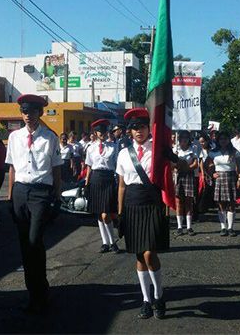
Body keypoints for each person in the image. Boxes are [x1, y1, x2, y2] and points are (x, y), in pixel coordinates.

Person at [6, 94, 63, 314]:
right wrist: (10, 197)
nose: (28, 116)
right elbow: (11, 168)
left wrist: (57, 197)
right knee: (24, 244)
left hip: (40, 193)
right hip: (20, 191)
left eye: (32, 112)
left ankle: (41, 289)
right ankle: (33, 293)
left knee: (34, 240)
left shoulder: (50, 138)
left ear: (40, 113)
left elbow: (56, 169)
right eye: (25, 112)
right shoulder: (14, 137)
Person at [116, 108, 170, 320]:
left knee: (149, 252)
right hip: (131, 204)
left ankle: (159, 295)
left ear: (149, 128)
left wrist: (171, 155)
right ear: (129, 131)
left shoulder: (158, 150)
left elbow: (171, 173)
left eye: (142, 127)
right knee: (139, 255)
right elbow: (121, 185)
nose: (139, 131)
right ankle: (146, 300)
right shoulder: (123, 153)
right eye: (134, 128)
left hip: (151, 203)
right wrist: (120, 213)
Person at [85, 119, 119, 253]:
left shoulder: (113, 147)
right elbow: (89, 167)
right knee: (99, 214)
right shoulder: (91, 147)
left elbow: (117, 165)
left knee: (106, 214)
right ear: (96, 132)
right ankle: (105, 242)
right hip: (96, 179)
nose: (102, 134)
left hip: (108, 179)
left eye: (105, 131)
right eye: (100, 131)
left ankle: (112, 242)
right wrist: (87, 184)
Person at [207, 131, 240, 237]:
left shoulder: (234, 152)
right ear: (218, 140)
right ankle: (223, 227)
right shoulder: (213, 152)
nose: (223, 141)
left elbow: (239, 167)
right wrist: (212, 173)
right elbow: (207, 164)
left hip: (231, 177)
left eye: (225, 139)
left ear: (229, 140)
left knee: (231, 203)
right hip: (219, 178)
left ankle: (230, 228)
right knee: (221, 204)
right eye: (221, 139)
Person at [174, 130, 198, 236]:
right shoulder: (175, 149)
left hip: (188, 175)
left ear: (189, 139)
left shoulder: (193, 149)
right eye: (182, 138)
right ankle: (179, 226)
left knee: (189, 201)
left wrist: (187, 168)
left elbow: (196, 164)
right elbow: (172, 163)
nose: (184, 139)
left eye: (186, 138)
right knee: (179, 202)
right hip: (178, 176)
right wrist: (177, 165)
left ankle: (189, 227)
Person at [197, 133, 214, 215]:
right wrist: (203, 173)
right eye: (200, 142)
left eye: (203, 142)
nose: (201, 143)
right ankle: (200, 207)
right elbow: (200, 163)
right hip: (202, 172)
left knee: (209, 189)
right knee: (202, 189)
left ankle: (207, 205)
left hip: (210, 171)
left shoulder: (211, 150)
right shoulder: (199, 150)